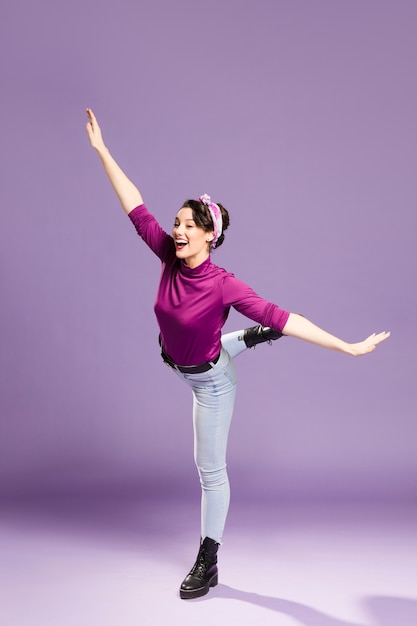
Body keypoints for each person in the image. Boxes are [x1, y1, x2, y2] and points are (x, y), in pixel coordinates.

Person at [85, 108, 390, 600]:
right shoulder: (168, 255)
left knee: (209, 470)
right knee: (218, 345)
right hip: (180, 358)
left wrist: (348, 347)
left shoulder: (225, 285)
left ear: (211, 236)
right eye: (177, 222)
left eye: (189, 225)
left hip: (209, 382)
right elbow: (135, 205)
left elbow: (288, 316)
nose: (178, 229)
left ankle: (208, 561)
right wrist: (102, 150)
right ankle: (247, 339)